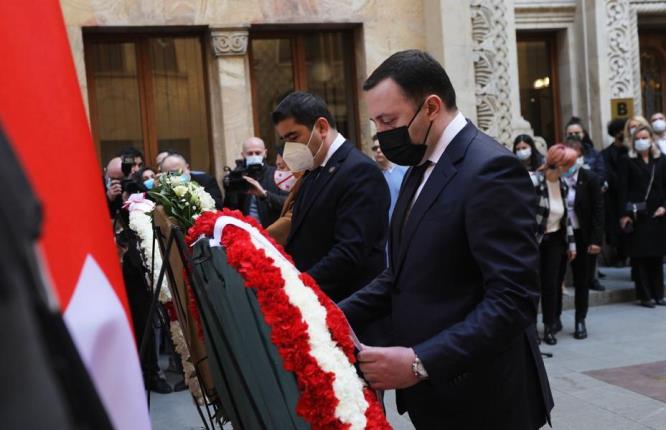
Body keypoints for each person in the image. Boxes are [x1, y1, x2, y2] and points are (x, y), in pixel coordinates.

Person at [338, 50, 552, 429]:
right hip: (436, 397)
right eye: (376, 123)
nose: (382, 135)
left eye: (389, 121)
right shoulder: (420, 164)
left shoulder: (490, 169)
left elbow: (512, 299)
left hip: (485, 401)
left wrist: (421, 362)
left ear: (431, 107)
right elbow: (400, 274)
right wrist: (330, 314)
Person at [272, 91, 390, 304]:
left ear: (322, 127)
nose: (289, 148)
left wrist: (297, 288)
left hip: (347, 307)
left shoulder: (360, 172)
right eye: (285, 140)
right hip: (316, 304)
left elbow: (349, 254)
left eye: (293, 137)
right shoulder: (312, 169)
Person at [530, 144, 577, 345]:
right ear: (559, 164)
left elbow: (566, 218)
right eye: (569, 165)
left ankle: (549, 326)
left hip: (556, 240)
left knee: (551, 286)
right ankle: (531, 329)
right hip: (535, 241)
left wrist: (571, 245)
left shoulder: (563, 184)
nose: (571, 168)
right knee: (533, 286)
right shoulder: (535, 181)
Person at [618, 125, 666, 308]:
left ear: (652, 139)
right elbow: (622, 189)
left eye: (645, 137)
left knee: (656, 256)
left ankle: (659, 294)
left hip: (657, 214)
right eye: (637, 138)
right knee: (639, 257)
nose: (641, 141)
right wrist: (624, 214)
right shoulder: (626, 160)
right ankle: (645, 295)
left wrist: (664, 207)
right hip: (636, 214)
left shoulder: (661, 160)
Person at [563, 140, 604, 339]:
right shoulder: (556, 177)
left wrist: (596, 240)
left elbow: (598, 211)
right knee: (554, 279)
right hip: (560, 235)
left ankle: (580, 320)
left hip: (582, 235)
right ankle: (552, 321)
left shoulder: (590, 178)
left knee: (581, 280)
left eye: (577, 156)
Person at [223, 137, 288, 228]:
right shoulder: (238, 177)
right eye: (250, 153)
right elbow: (230, 210)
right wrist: (231, 186)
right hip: (246, 232)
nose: (254, 156)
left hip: (272, 231)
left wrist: (265, 194)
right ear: (243, 155)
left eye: (258, 153)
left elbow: (287, 203)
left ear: (265, 153)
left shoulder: (277, 174)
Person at [602, 118, 629, 266]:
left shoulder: (631, 151)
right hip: (613, 197)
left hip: (630, 196)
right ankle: (619, 255)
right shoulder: (606, 154)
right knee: (615, 228)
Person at [160, 152, 224, 209]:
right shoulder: (162, 189)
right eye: (170, 175)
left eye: (179, 173)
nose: (176, 178)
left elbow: (218, 206)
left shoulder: (206, 181)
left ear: (188, 168)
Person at [372, 134, 408, 220]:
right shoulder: (370, 173)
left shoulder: (405, 171)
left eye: (381, 147)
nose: (378, 150)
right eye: (375, 148)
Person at [565, 117, 606, 183]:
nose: (573, 136)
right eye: (570, 134)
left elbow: (601, 176)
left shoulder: (594, 154)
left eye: (577, 133)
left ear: (583, 134)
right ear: (566, 136)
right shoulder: (561, 154)